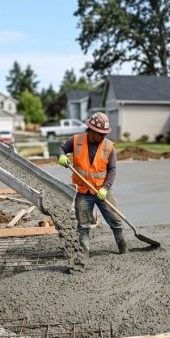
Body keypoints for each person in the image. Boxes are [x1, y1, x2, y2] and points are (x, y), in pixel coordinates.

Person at [57, 112, 127, 271]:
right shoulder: (76, 141)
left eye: (105, 134)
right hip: (82, 191)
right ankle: (84, 256)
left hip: (103, 191)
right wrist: (61, 156)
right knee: (83, 226)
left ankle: (123, 249)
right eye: (100, 133)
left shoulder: (109, 146)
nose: (103, 136)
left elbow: (112, 170)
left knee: (115, 221)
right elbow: (61, 149)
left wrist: (105, 188)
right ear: (91, 130)